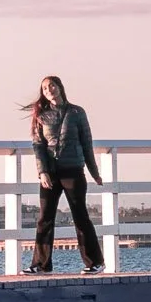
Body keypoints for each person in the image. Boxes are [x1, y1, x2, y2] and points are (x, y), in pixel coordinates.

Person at [28, 74, 105, 274]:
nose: (49, 90)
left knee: (80, 216)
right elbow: (38, 146)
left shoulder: (77, 113)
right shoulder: (41, 116)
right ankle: (41, 264)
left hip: (73, 171)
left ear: (60, 87)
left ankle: (95, 262)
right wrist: (42, 171)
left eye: (51, 86)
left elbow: (87, 144)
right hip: (50, 174)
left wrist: (94, 172)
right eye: (45, 88)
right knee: (45, 218)